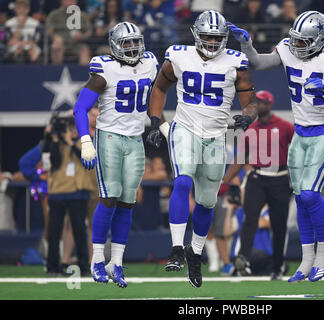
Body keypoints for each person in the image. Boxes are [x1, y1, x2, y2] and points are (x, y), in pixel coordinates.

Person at [228, 10, 324, 282]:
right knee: (300, 198)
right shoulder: (288, 48)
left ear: (319, 40)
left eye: (303, 41)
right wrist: (246, 45)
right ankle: (306, 258)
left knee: (311, 194)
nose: (297, 45)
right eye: (295, 40)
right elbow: (258, 63)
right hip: (301, 133)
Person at [146, 10, 257, 288]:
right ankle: (175, 248)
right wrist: (154, 121)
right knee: (182, 182)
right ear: (196, 33)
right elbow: (159, 88)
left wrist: (248, 115)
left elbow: (250, 101)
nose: (210, 41)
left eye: (216, 37)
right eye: (206, 35)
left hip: (217, 137)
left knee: (207, 201)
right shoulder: (179, 56)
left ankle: (194, 252)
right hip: (185, 129)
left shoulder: (236, 61)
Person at [73, 21, 159, 288]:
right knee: (109, 197)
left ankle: (117, 263)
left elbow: (160, 91)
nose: (133, 48)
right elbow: (79, 108)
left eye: (136, 42)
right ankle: (97, 259)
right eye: (127, 43)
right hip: (109, 136)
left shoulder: (150, 63)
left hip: (135, 139)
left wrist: (158, 123)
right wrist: (86, 140)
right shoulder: (104, 69)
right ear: (115, 46)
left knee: (127, 202)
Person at [221, 89, 294, 280]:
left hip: (280, 177)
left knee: (279, 224)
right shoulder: (250, 130)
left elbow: (296, 153)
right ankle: (243, 258)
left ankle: (277, 266)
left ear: (269, 104)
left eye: (261, 102)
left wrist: (298, 179)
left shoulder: (285, 126)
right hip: (257, 177)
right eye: (256, 102)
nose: (258, 105)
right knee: (249, 217)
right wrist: (226, 181)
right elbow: (240, 159)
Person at [41, 114, 96, 276]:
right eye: (67, 128)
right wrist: (52, 138)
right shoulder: (53, 143)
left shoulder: (82, 142)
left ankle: (84, 266)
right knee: (54, 231)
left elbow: (86, 160)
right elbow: (53, 162)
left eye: (72, 128)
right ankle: (52, 267)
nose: (69, 131)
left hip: (78, 192)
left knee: (79, 230)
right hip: (57, 192)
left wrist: (69, 142)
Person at [46, 0, 92, 64]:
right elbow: (48, 30)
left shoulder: (83, 16)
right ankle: (56, 72)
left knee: (84, 50)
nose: (69, 2)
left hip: (77, 44)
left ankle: (83, 73)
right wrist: (55, 37)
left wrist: (81, 36)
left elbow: (89, 32)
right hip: (61, 43)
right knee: (56, 46)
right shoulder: (54, 14)